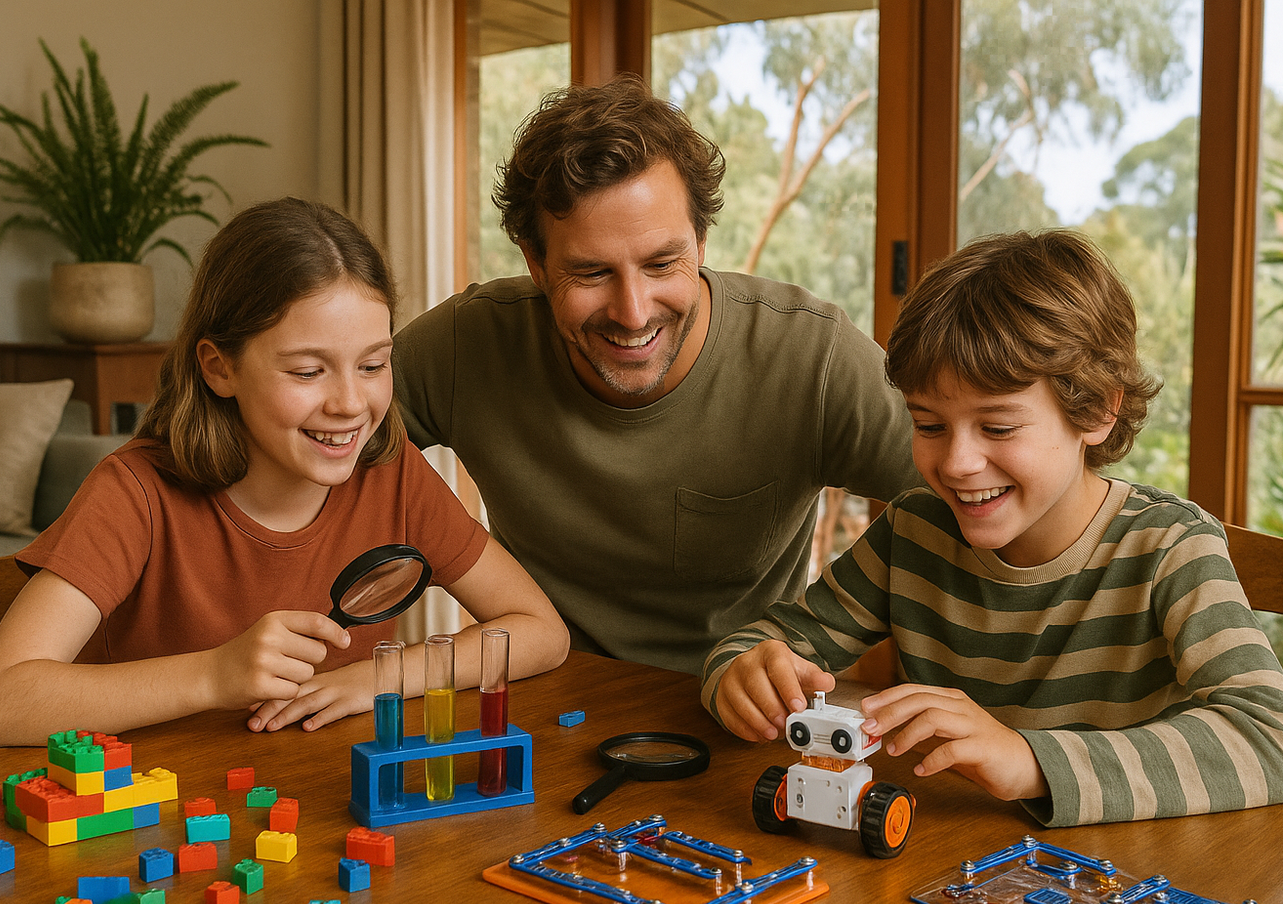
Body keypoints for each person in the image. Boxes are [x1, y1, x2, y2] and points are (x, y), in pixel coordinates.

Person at [702, 229, 1283, 827]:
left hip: (1119, 889)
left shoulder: (1169, 550)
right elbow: (764, 642)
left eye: (997, 428)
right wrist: (742, 673)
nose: (957, 463)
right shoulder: (912, 534)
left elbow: (1274, 742)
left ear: (1097, 409)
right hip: (944, 873)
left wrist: (1029, 760)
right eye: (930, 424)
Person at [0, 198, 568, 750]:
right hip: (143, 812)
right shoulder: (136, 494)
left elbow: (540, 631)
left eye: (373, 364)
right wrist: (212, 674)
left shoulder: (392, 473)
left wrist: (378, 678)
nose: (350, 403)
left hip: (298, 801)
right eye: (307, 372)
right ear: (220, 368)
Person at [391, 76, 921, 673]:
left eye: (662, 263)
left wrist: (860, 660)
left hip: (738, 718)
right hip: (541, 703)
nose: (633, 312)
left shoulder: (811, 357)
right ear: (535, 263)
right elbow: (309, 450)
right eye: (591, 274)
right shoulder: (468, 344)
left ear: (700, 241)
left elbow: (974, 500)